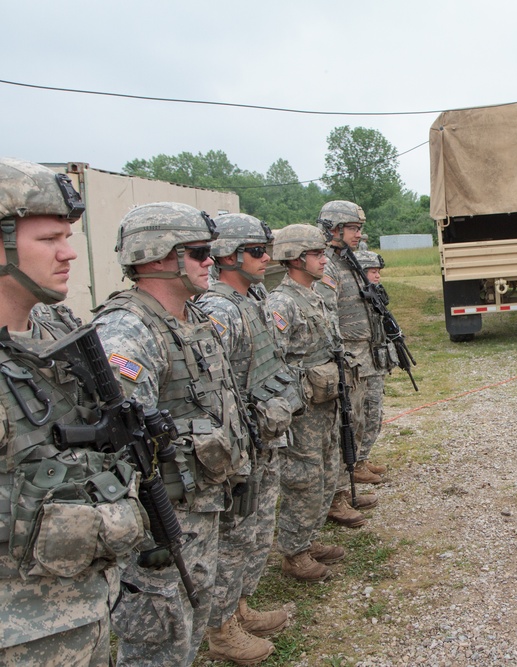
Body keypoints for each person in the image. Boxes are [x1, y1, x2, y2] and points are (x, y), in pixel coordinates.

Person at [0, 158, 146, 666]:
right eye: (48, 240)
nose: (68, 254)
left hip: (82, 605)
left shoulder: (56, 328)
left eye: (68, 236)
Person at [93, 202, 251, 667]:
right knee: (159, 636)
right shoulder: (127, 332)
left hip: (200, 503)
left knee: (190, 619)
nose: (212, 262)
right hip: (163, 522)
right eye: (200, 252)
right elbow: (117, 455)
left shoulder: (193, 318)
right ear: (157, 256)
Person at [196, 213, 299, 663]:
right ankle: (221, 631)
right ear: (229, 257)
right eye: (258, 251)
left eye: (266, 249)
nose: (267, 258)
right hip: (241, 443)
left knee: (254, 533)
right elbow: (214, 388)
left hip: (263, 435)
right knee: (235, 536)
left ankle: (237, 608)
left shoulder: (252, 299)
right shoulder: (219, 309)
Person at [266, 224, 358, 582]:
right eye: (317, 254)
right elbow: (275, 361)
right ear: (295, 259)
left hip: (327, 401)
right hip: (303, 407)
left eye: (323, 253)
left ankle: (307, 538)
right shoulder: (281, 302)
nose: (324, 260)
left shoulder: (315, 295)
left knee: (324, 472)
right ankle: (294, 552)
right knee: (303, 478)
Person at [316, 201, 388, 517]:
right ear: (335, 229)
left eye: (359, 228)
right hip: (344, 358)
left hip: (358, 356)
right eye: (354, 228)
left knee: (355, 423)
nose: (359, 234)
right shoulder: (327, 266)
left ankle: (345, 490)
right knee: (340, 430)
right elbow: (326, 317)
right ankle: (335, 499)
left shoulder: (348, 263)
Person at [352, 250, 395, 480]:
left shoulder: (374, 296)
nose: (377, 276)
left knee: (375, 412)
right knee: (364, 413)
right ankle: (357, 463)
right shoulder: (352, 300)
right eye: (372, 271)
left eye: (378, 272)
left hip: (375, 361)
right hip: (362, 365)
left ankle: (364, 458)